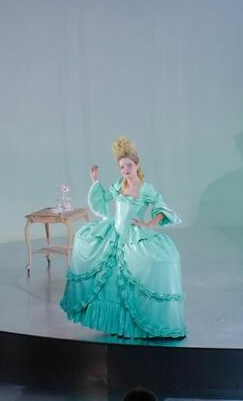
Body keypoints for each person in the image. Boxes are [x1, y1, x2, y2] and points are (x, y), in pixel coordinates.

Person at [60, 136, 186, 339]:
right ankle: (116, 324)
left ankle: (145, 322)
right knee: (99, 262)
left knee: (150, 265)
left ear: (137, 165)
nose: (125, 170)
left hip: (133, 234)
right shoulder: (119, 184)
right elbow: (103, 199)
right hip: (114, 232)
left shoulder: (146, 188)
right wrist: (95, 180)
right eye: (122, 167)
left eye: (129, 165)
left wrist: (148, 224)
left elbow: (161, 208)